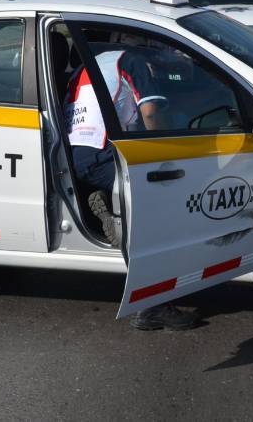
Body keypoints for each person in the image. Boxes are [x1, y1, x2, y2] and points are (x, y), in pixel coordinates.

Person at [60, 24, 199, 332]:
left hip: (72, 159)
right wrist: (164, 155)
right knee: (156, 214)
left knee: (137, 200)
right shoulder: (131, 62)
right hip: (102, 155)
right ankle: (152, 306)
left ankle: (110, 204)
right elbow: (149, 112)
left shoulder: (84, 69)